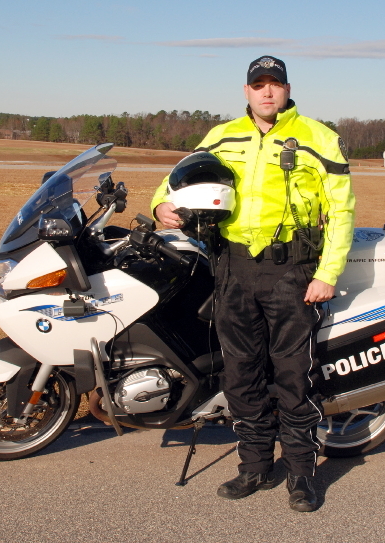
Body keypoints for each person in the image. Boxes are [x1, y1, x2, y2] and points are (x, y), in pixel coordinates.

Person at [151, 56, 355, 512]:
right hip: (233, 268)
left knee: (294, 377)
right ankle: (255, 466)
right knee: (241, 375)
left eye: (274, 84)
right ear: (246, 91)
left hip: (292, 271)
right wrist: (161, 204)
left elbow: (342, 212)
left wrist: (327, 274)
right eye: (258, 84)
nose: (267, 92)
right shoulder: (221, 136)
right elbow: (177, 180)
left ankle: (301, 474)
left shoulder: (319, 138)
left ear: (287, 90)